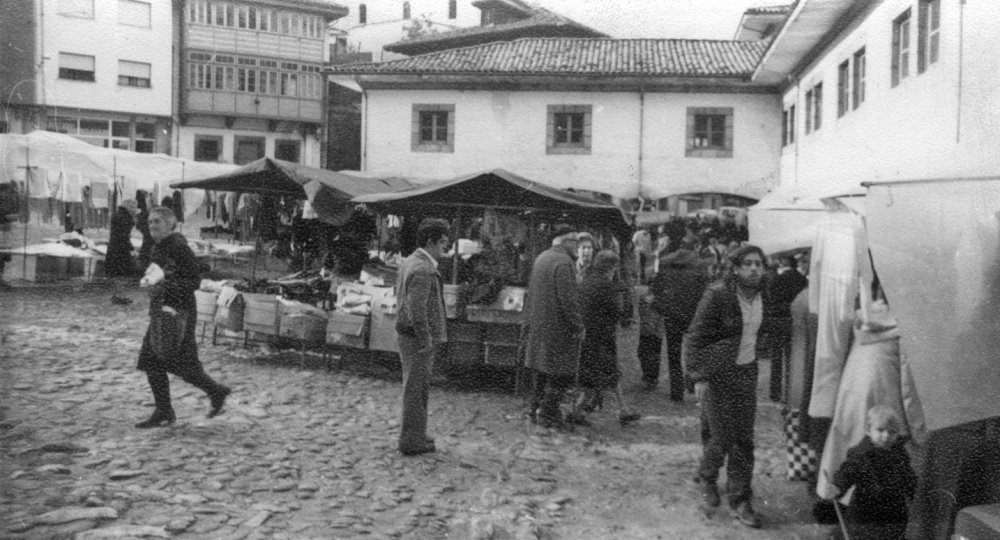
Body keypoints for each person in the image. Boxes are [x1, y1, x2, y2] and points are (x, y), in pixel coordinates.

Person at [684, 244, 772, 528]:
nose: (754, 268)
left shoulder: (763, 295)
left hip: (746, 372)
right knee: (721, 435)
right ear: (736, 267)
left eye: (758, 263)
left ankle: (740, 499)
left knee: (743, 439)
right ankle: (708, 477)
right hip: (717, 373)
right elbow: (696, 337)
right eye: (748, 263)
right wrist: (698, 376)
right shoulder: (719, 294)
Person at [135, 207, 231, 428]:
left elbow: (193, 282)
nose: (152, 226)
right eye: (149, 222)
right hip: (163, 310)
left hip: (179, 312)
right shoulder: (157, 247)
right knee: (152, 360)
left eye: (157, 221)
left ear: (171, 224)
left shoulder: (179, 248)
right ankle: (164, 410)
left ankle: (215, 391)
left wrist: (164, 286)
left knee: (180, 362)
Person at [394, 219, 450, 456]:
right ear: (430, 242)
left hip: (409, 335)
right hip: (416, 339)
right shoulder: (423, 268)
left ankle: (416, 432)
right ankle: (411, 440)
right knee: (416, 389)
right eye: (443, 243)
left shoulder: (411, 261)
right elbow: (417, 311)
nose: (445, 249)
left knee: (416, 387)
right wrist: (426, 340)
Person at [827, 405, 917, 540]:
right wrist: (838, 486)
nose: (886, 436)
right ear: (868, 430)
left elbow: (908, 477)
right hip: (866, 509)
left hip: (894, 509)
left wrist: (915, 492)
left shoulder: (899, 454)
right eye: (880, 430)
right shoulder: (861, 454)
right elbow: (847, 472)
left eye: (892, 432)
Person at [524, 227, 584, 430]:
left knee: (541, 370)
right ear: (566, 242)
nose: (578, 247)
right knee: (561, 373)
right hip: (558, 328)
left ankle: (534, 408)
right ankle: (548, 413)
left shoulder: (542, 258)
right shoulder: (564, 262)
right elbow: (568, 300)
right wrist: (578, 326)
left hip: (539, 324)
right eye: (576, 242)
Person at [577, 250, 641, 426]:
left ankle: (623, 409)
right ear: (612, 267)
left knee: (608, 373)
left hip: (589, 336)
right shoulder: (606, 285)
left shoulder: (587, 281)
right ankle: (576, 412)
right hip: (601, 337)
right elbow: (618, 312)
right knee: (598, 376)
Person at [650, 248, 709, 401]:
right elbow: (705, 294)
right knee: (694, 351)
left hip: (672, 317)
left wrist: (662, 309)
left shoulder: (665, 268)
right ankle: (691, 383)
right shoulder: (699, 268)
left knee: (673, 355)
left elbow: (656, 292)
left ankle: (676, 392)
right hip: (693, 316)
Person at [765, 251, 810, 401]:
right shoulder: (802, 280)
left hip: (777, 320)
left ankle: (775, 392)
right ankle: (790, 391)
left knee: (776, 358)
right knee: (792, 358)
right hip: (793, 321)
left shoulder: (777, 279)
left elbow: (770, 300)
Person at [106, 199, 139, 305]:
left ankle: (118, 296)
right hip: (120, 249)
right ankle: (119, 296)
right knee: (121, 274)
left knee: (119, 274)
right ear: (128, 207)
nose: (135, 209)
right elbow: (124, 235)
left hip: (116, 248)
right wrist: (131, 248)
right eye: (133, 207)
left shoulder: (120, 214)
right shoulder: (124, 217)